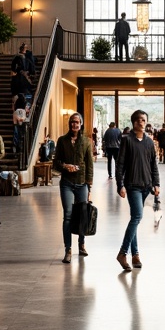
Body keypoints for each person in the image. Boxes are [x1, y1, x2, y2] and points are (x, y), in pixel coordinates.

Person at [115, 109, 160, 271]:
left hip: (146, 186)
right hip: (132, 185)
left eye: (144, 120)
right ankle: (122, 253)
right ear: (133, 122)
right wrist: (120, 184)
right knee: (137, 217)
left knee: (135, 218)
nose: (141, 122)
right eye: (139, 120)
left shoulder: (149, 142)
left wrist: (156, 183)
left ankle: (135, 255)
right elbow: (120, 165)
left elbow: (153, 164)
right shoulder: (127, 140)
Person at [53, 112, 94, 263]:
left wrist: (89, 185)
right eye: (72, 122)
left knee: (83, 214)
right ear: (69, 124)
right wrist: (65, 166)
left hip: (82, 182)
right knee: (68, 215)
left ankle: (81, 245)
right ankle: (68, 249)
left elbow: (89, 164)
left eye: (77, 122)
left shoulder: (86, 141)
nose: (74, 125)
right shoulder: (62, 141)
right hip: (67, 183)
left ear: (81, 124)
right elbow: (56, 162)